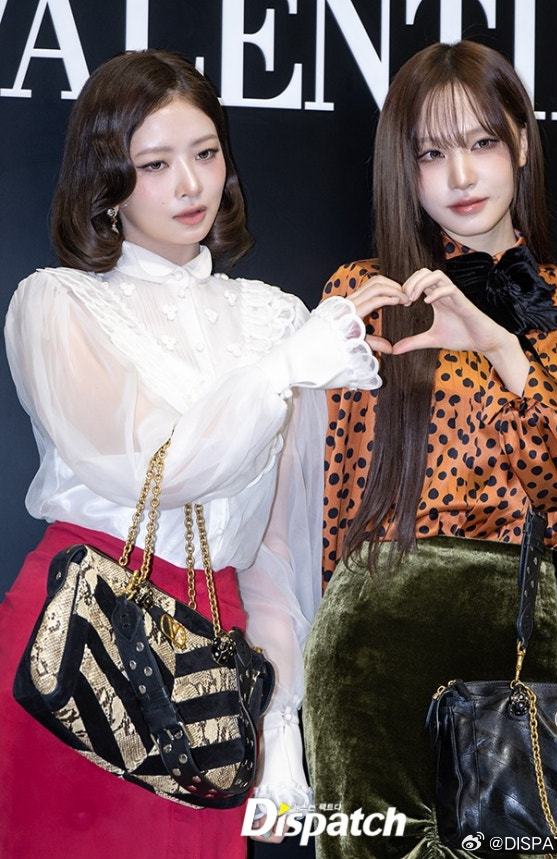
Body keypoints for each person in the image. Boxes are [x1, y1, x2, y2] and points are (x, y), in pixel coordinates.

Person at [0, 49, 402, 859]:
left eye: (206, 152)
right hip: (79, 638)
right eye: (155, 164)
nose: (190, 184)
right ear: (107, 179)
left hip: (214, 656)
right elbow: (158, 468)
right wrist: (285, 368)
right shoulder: (57, 303)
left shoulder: (274, 319)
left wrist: (280, 724)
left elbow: (277, 547)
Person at [303, 40, 557, 858]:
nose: (459, 175)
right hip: (368, 640)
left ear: (520, 141)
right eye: (431, 152)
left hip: (517, 629)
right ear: (405, 166)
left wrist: (498, 345)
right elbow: (331, 498)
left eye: (481, 141)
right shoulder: (364, 292)